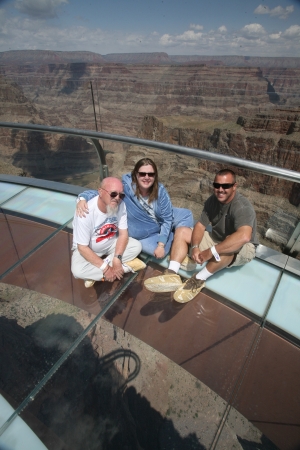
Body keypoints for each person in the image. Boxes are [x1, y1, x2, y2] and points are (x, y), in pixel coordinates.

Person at [144, 169, 259, 303]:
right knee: (182, 231)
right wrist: (195, 247)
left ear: (234, 186)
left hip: (244, 247)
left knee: (227, 247)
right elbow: (200, 225)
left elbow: (244, 237)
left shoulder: (242, 207)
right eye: (217, 185)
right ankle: (171, 273)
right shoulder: (213, 200)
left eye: (225, 186)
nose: (220, 189)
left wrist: (211, 251)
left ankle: (198, 280)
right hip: (217, 238)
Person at [76, 158, 195, 267]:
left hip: (161, 219)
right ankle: (178, 242)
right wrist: (82, 198)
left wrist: (161, 244)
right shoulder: (125, 189)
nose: (146, 177)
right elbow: (101, 193)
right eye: (142, 174)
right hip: (147, 230)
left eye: (151, 174)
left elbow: (167, 218)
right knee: (157, 252)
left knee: (186, 215)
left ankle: (178, 244)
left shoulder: (160, 191)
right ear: (136, 175)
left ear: (155, 176)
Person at [71, 177, 144, 288]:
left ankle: (96, 273)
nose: (117, 198)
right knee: (77, 271)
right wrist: (106, 269)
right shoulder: (86, 212)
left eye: (121, 195)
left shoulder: (121, 205)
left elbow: (123, 234)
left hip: (110, 244)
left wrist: (117, 258)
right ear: (100, 192)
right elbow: (82, 248)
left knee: (136, 246)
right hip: (89, 249)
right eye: (113, 194)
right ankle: (125, 268)